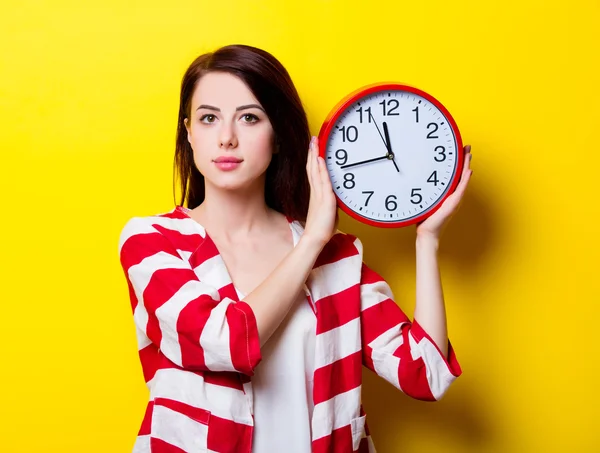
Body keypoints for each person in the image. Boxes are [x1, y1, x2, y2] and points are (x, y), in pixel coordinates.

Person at [118, 44, 471, 453]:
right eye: (209, 118)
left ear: (279, 137)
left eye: (249, 118)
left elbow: (425, 374)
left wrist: (427, 240)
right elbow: (225, 344)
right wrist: (312, 241)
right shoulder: (152, 241)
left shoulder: (336, 259)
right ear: (189, 133)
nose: (227, 138)